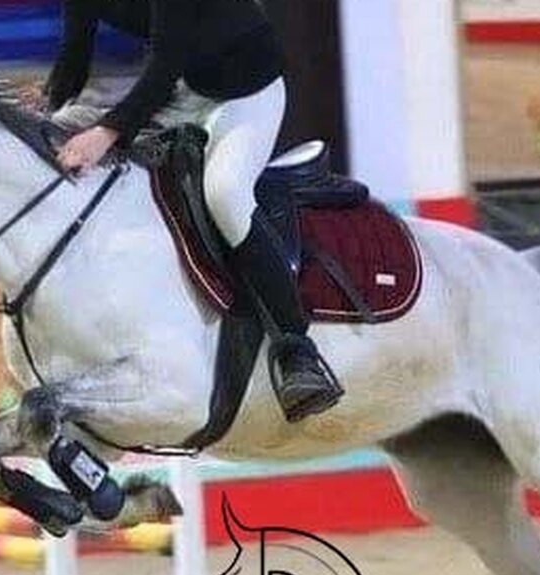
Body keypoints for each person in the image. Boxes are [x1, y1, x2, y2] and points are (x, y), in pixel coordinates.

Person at [45, 0, 341, 422]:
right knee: (57, 134)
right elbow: (74, 57)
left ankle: (297, 351)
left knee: (225, 196)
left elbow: (164, 65)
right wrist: (45, 120)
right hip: (185, 91)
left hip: (246, 91)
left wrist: (105, 133)